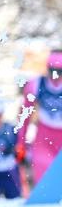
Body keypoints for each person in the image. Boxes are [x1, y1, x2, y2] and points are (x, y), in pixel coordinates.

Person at [17, 50, 62, 186]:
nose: (55, 76)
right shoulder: (35, 84)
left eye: (59, 72)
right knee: (43, 171)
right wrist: (22, 143)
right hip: (44, 136)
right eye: (52, 71)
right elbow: (24, 116)